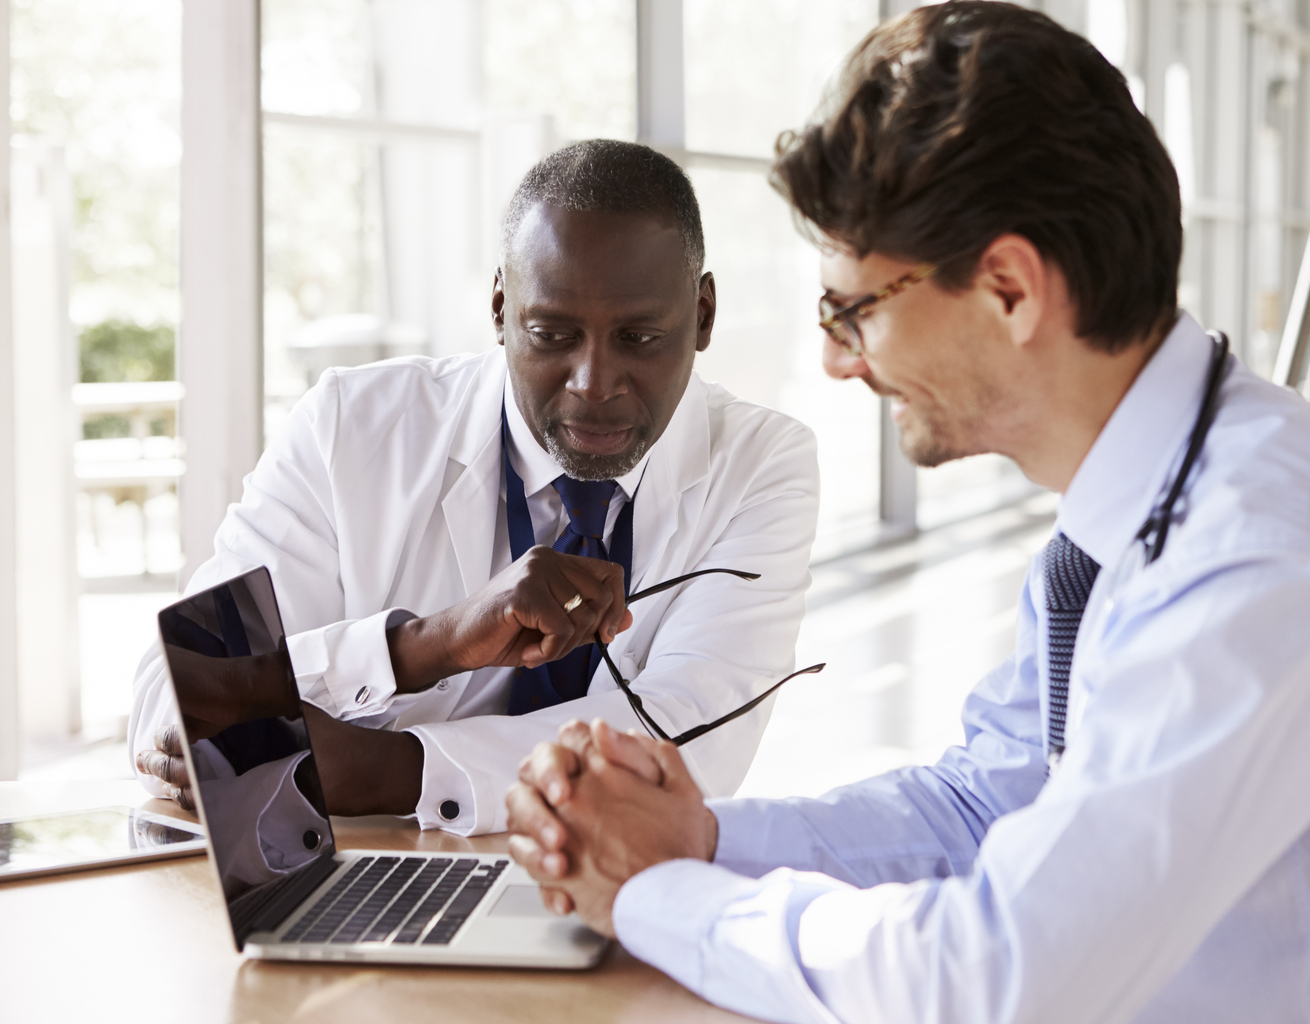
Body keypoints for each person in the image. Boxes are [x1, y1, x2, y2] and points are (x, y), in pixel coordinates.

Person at [503, 6, 1310, 1022]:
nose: (836, 358)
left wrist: (655, 892)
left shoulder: (1265, 559)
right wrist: (703, 839)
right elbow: (987, 800)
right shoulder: (1134, 499)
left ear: (1008, 289)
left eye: (855, 309)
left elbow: (995, 979)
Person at [130, 140, 819, 836]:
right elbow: (174, 697)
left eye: (639, 338)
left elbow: (690, 741)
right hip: (367, 883)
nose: (595, 383)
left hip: (619, 890)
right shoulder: (350, 429)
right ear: (499, 309)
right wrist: (424, 647)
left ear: (702, 317)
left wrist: (383, 767)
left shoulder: (762, 463)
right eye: (552, 334)